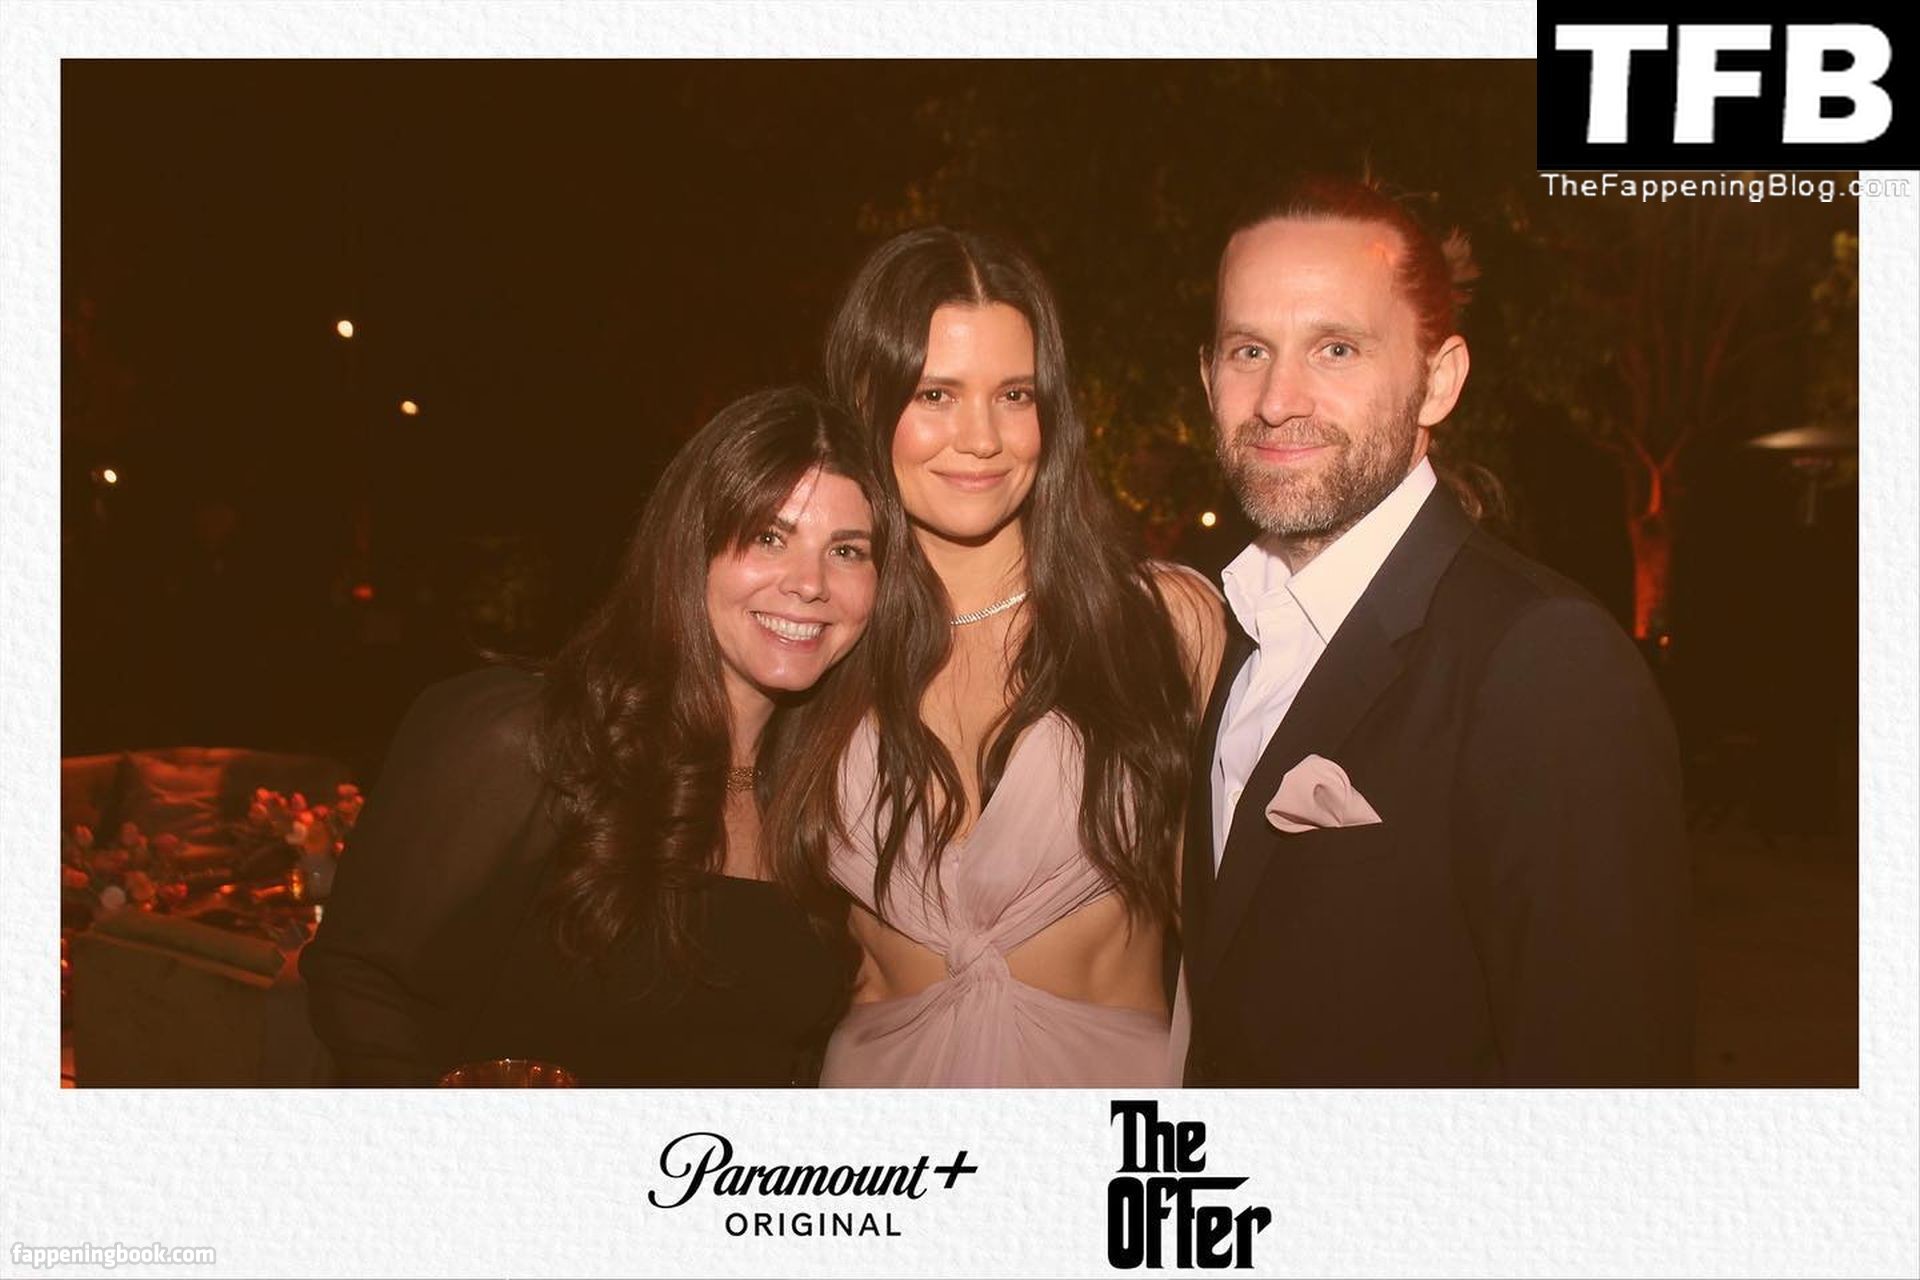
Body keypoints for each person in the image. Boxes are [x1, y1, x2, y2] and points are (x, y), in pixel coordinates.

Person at [1182, 175, 1692, 1086]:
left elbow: (1608, 1083)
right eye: (1248, 349)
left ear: (1439, 380)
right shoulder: (1228, 627)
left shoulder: (1543, 660)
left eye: (1336, 348)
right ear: (1207, 376)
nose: (1276, 398)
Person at [302, 387, 883, 1086]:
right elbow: (360, 983)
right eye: (768, 537)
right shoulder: (526, 738)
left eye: (846, 550)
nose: (811, 584)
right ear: (690, 548)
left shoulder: (836, 795)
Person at [765, 227, 1223, 1086]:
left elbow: (1237, 939)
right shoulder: (817, 638)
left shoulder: (1162, 625)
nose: (981, 438)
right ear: (867, 399)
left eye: (1014, 394)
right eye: (935, 394)